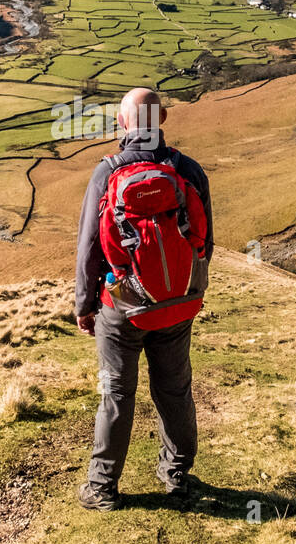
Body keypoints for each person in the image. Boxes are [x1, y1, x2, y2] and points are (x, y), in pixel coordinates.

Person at [74, 87, 213, 511]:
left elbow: (88, 249)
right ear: (163, 119)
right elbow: (205, 244)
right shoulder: (189, 171)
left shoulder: (106, 172)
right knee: (175, 389)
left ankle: (102, 488)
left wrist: (85, 305)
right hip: (176, 305)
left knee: (116, 393)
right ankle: (177, 476)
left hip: (122, 306)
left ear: (122, 122)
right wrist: (186, 291)